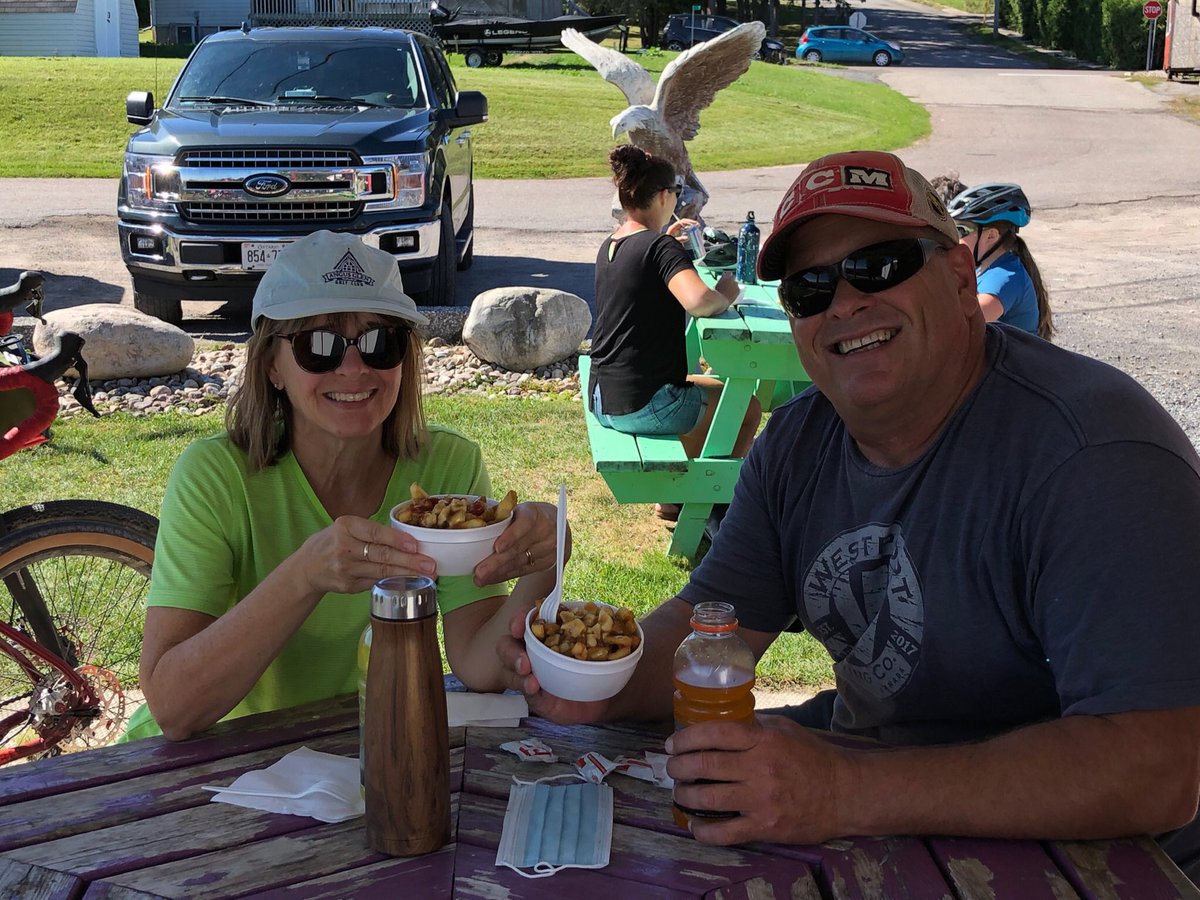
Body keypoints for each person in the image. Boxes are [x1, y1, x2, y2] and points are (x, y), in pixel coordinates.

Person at [501, 150, 1200, 877]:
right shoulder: (800, 443)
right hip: (882, 818)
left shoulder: (1095, 454)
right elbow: (712, 626)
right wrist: (598, 683)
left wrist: (845, 789)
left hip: (1100, 862)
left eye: (881, 265)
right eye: (808, 288)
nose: (843, 302)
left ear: (961, 279)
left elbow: (1156, 767)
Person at [125, 230, 562, 742]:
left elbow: (477, 663)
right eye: (319, 345)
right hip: (209, 761)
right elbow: (174, 707)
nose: (353, 368)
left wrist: (544, 563)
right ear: (272, 366)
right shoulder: (214, 477)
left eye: (381, 342)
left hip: (346, 747)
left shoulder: (446, 466)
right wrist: (305, 576)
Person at [588, 144, 762, 522]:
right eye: (678, 194)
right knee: (745, 407)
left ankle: (672, 499)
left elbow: (646, 268)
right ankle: (711, 504)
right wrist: (727, 295)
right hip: (642, 404)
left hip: (603, 396)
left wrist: (667, 238)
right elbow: (700, 301)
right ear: (666, 195)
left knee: (711, 388)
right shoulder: (660, 247)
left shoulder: (613, 245)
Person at [948, 181, 1054, 340]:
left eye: (961, 230)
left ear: (991, 236)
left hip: (1014, 364)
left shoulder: (1004, 277)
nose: (954, 239)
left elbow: (961, 324)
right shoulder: (990, 267)